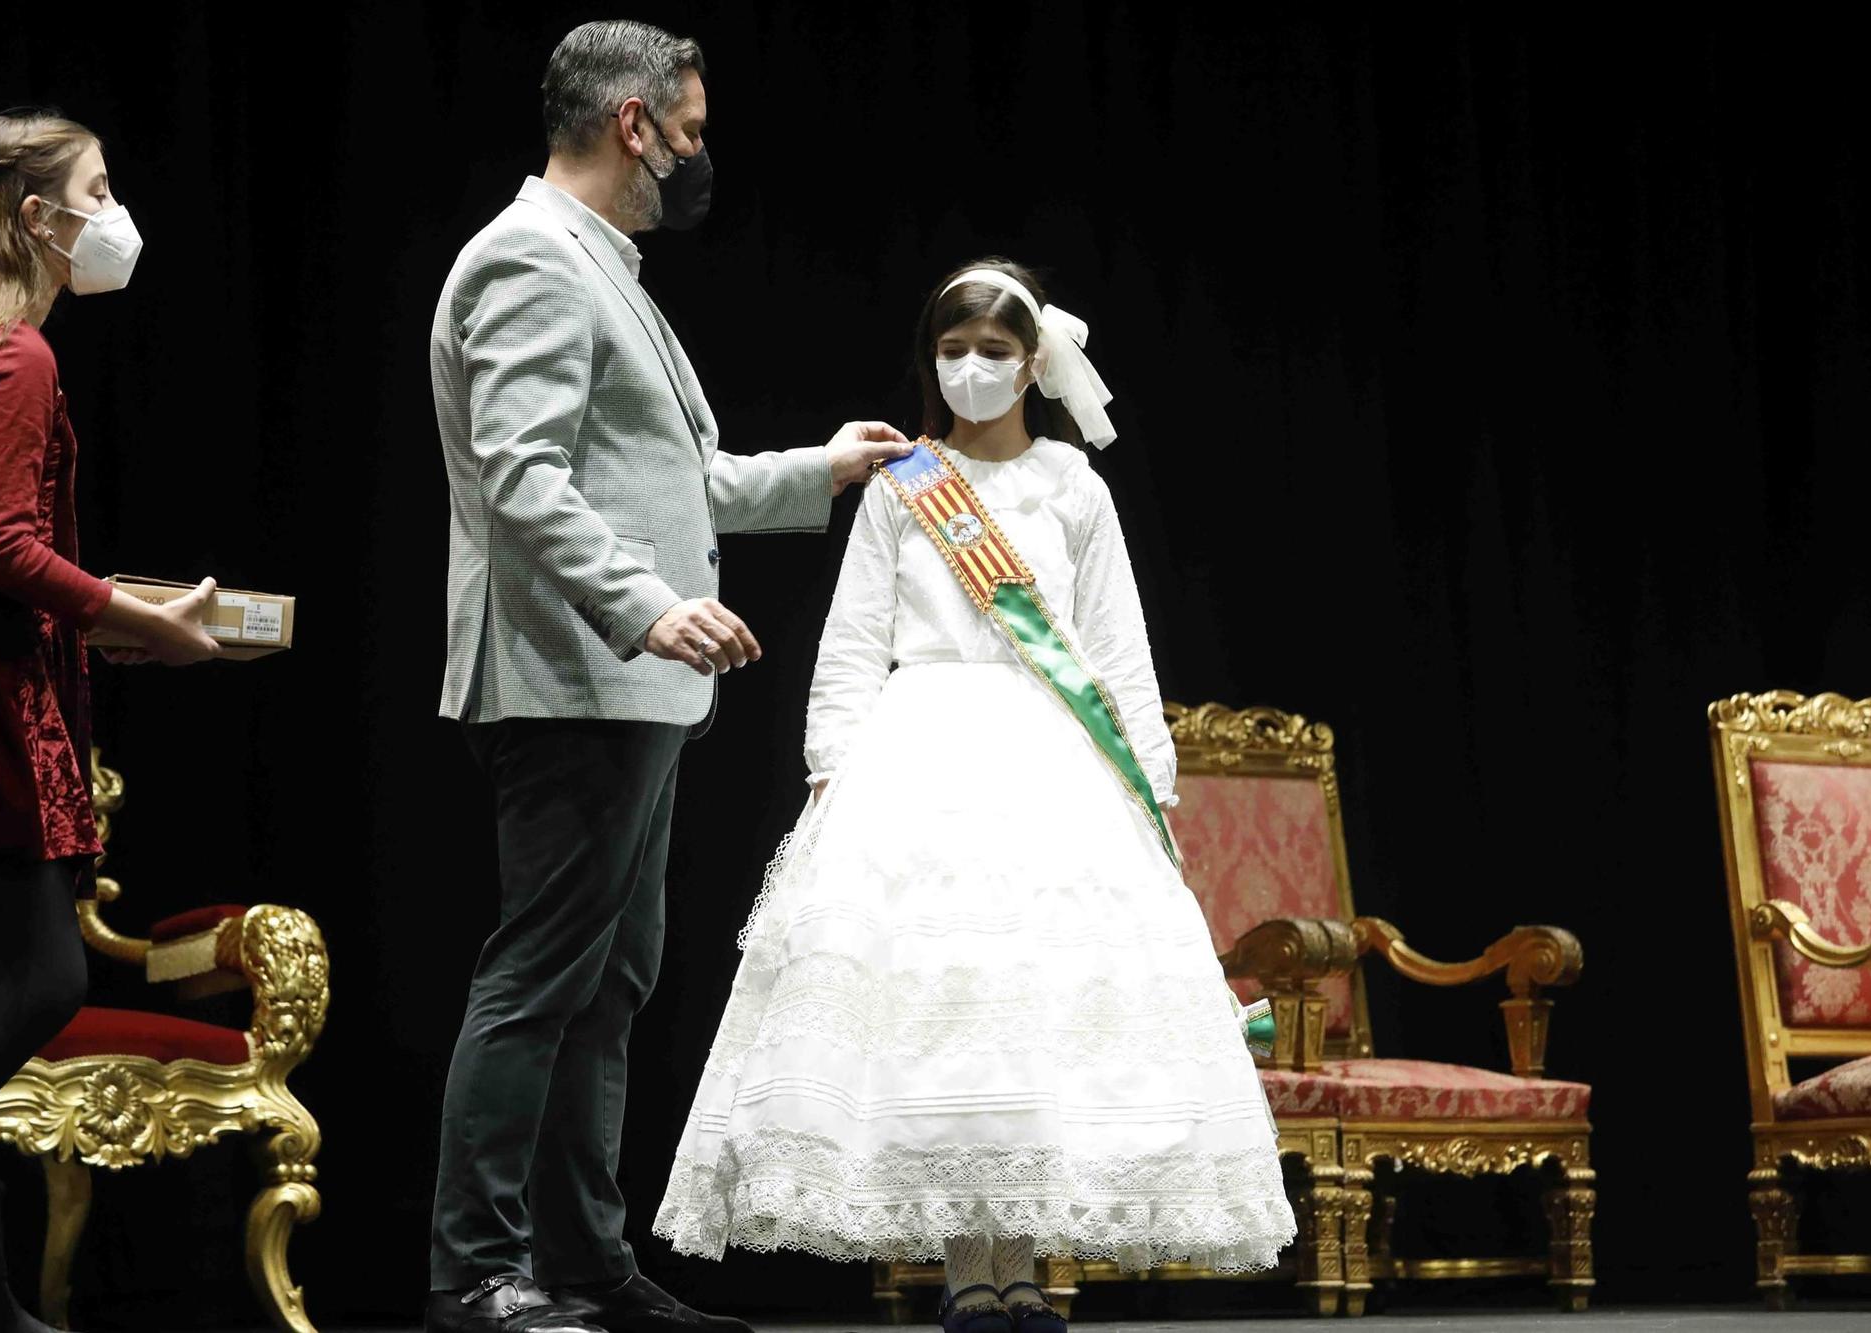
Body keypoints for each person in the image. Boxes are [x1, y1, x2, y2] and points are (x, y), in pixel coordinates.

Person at [652, 259, 1294, 1333]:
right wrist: (829, 770)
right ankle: (966, 1271)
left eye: (992, 352)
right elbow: (852, 639)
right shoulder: (905, 485)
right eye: (951, 351)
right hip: (919, 755)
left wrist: (1150, 780)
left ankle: (1026, 1269)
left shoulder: (1073, 488)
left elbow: (1115, 648)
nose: (970, 369)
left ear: (1033, 363)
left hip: (1051, 757)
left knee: (1033, 1006)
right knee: (942, 1005)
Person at [425, 21, 909, 1333]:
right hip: (569, 678)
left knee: (610, 984)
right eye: (689, 133)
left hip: (623, 687)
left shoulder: (602, 267)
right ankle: (476, 1271)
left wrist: (821, 469)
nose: (699, 157)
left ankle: (585, 1262)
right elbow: (525, 479)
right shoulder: (529, 259)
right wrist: (647, 610)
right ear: (633, 122)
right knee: (540, 976)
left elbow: (669, 482)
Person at [0, 107, 222, 1333]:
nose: (115, 213)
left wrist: (106, 616)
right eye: (98, 189)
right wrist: (138, 614)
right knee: (43, 980)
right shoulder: (19, 355)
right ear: (35, 218)